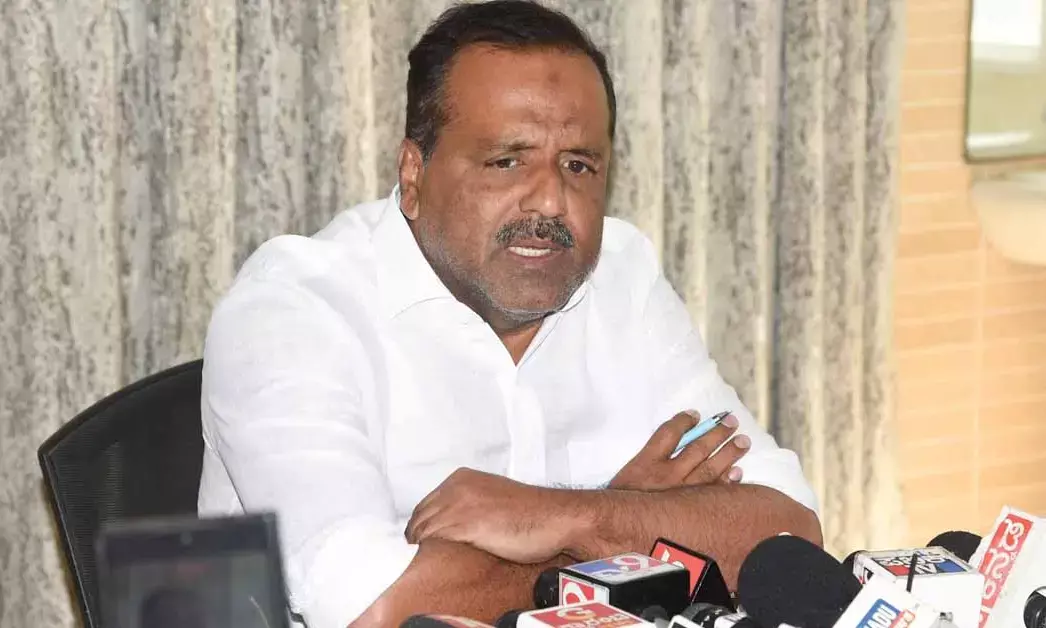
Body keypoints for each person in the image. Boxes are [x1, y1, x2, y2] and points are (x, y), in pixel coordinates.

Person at [197, 2, 821, 627]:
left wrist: (568, 516)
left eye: (578, 165)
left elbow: (789, 535)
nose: (550, 199)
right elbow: (378, 611)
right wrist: (628, 529)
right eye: (507, 161)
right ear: (413, 174)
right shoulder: (292, 311)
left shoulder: (621, 275)